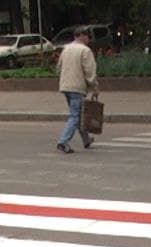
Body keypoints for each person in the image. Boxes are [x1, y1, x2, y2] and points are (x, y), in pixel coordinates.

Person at [56, 26, 99, 154]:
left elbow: (59, 67)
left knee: (80, 114)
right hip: (77, 87)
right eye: (87, 36)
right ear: (82, 36)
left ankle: (86, 140)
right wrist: (94, 87)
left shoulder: (66, 48)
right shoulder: (85, 51)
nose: (88, 39)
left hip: (65, 86)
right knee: (75, 116)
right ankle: (63, 141)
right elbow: (90, 71)